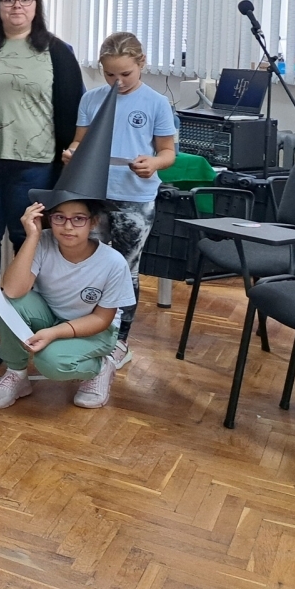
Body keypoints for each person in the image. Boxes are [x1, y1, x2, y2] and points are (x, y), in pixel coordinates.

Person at [0, 87, 133, 411]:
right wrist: (32, 236)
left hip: (94, 330)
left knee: (51, 362)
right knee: (8, 303)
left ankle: (100, 366)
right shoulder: (45, 241)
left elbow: (102, 319)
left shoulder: (112, 263)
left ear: (93, 222)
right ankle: (16, 374)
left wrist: (54, 334)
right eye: (59, 217)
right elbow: (12, 291)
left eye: (78, 219)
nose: (67, 226)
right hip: (52, 316)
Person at [65, 31, 176, 370]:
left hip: (134, 198)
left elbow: (168, 152)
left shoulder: (156, 102)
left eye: (125, 74)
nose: (117, 81)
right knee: (89, 266)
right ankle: (86, 332)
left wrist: (153, 163)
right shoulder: (92, 99)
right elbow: (79, 142)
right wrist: (71, 153)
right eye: (109, 74)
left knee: (125, 270)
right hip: (94, 195)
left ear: (142, 64)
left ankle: (119, 340)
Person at [0, 0, 84, 281]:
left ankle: (22, 306)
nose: (17, 6)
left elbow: (74, 107)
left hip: (35, 162)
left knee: (26, 236)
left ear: (36, 6)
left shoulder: (56, 50)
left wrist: (70, 152)